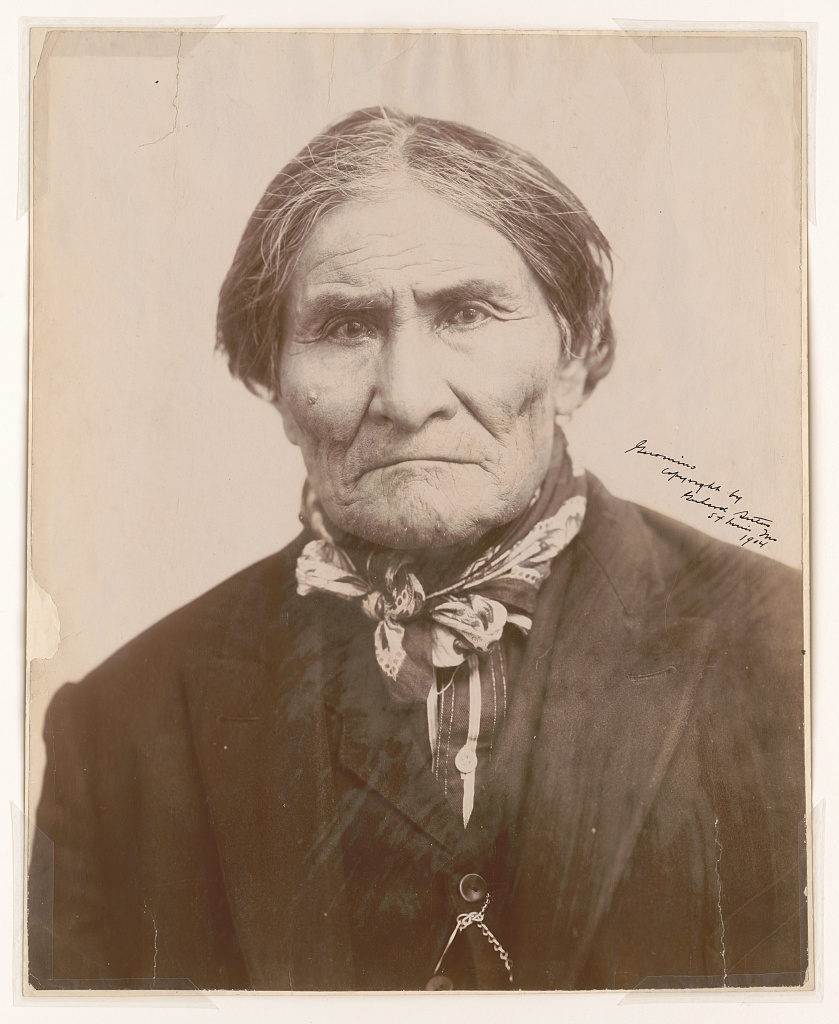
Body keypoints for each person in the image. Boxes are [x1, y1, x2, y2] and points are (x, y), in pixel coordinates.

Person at [28, 108, 807, 992]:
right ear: (270, 381)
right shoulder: (121, 732)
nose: (405, 396)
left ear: (575, 355)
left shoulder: (790, 657)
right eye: (346, 327)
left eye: (466, 313)